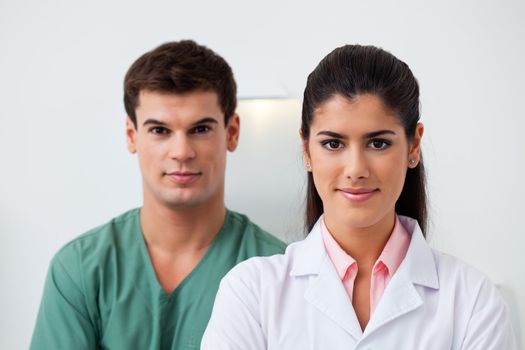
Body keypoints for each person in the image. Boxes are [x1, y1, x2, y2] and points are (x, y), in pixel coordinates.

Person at [201, 45, 517, 349]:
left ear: (413, 145)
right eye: (333, 144)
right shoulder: (251, 293)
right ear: (306, 148)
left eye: (378, 144)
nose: (356, 169)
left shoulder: (473, 301)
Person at [30, 40, 286, 350]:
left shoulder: (278, 271)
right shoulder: (80, 270)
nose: (181, 152)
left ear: (231, 133)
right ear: (131, 135)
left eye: (201, 129)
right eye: (160, 131)